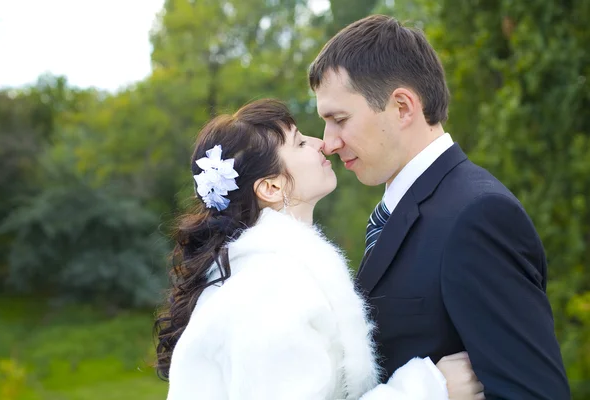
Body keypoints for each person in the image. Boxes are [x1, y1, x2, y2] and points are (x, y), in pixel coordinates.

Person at [308, 14, 570, 400]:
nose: (328, 143)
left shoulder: (478, 217)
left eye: (340, 119)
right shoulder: (401, 210)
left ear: (402, 107)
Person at [154, 99, 485, 399]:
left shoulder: (272, 275)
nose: (321, 144)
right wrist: (429, 388)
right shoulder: (268, 291)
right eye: (299, 142)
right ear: (271, 187)